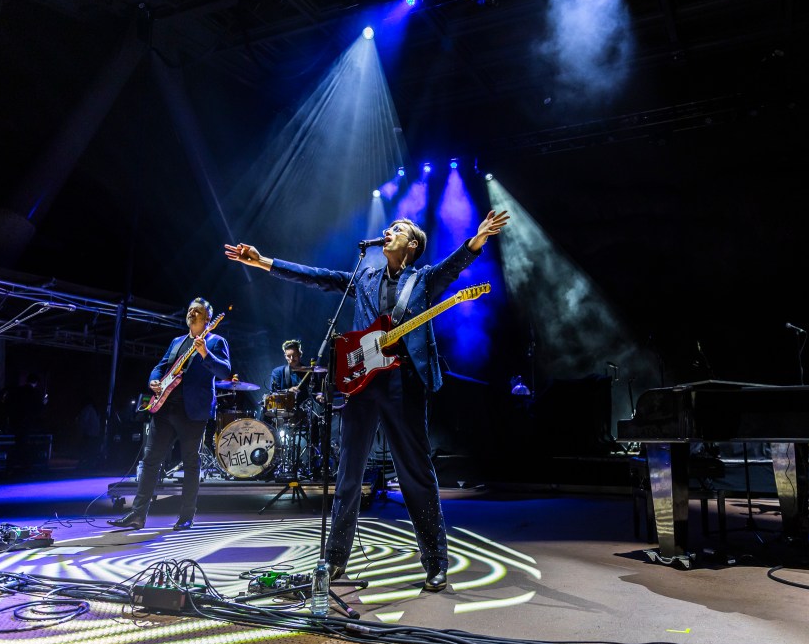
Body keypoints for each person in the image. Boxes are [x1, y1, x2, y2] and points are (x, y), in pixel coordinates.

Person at [225, 209, 509, 592]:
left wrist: (477, 239)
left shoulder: (422, 279)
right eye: (389, 227)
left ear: (412, 245)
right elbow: (318, 277)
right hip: (361, 383)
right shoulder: (365, 277)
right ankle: (336, 560)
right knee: (348, 473)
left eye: (399, 229)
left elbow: (453, 266)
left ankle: (435, 562)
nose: (388, 231)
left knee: (416, 473)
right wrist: (264, 262)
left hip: (404, 382)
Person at [108, 297, 231, 530]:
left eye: (197, 311)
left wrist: (205, 353)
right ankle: (137, 515)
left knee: (191, 464)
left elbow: (224, 371)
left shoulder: (216, 341)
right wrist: (153, 380)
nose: (192, 313)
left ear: (207, 319)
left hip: (192, 412)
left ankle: (186, 517)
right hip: (164, 408)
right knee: (150, 461)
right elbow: (161, 366)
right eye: (190, 310)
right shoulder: (177, 341)